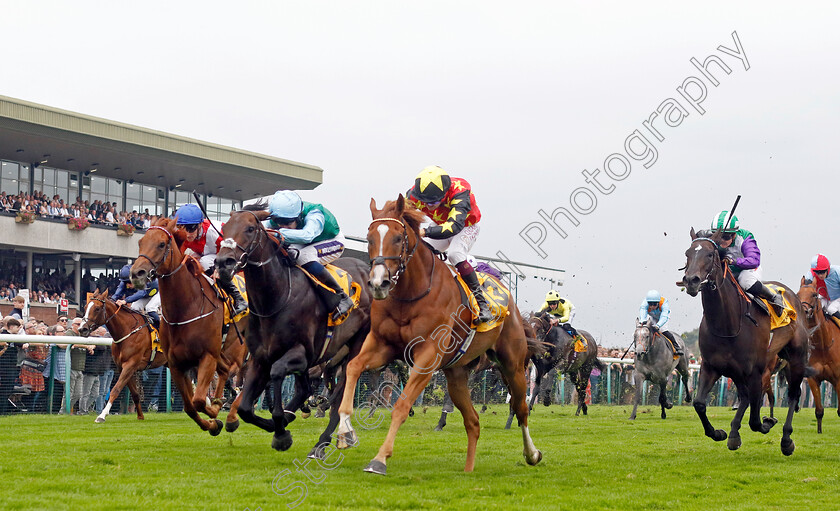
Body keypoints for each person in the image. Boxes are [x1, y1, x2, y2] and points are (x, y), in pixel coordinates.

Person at [405, 165, 491, 323]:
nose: (430, 205)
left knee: (454, 254)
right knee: (417, 251)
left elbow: (454, 227)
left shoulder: (460, 191)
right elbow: (402, 215)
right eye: (426, 202)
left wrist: (425, 232)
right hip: (440, 225)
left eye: (435, 201)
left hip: (465, 226)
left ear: (445, 193)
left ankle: (483, 304)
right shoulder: (413, 195)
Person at [265, 190, 355, 320]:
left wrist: (276, 233)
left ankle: (342, 296)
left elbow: (307, 236)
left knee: (302, 257)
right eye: (279, 222)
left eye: (288, 222)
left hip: (331, 241)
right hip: (303, 241)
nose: (283, 226)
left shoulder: (314, 214)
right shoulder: (278, 215)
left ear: (299, 216)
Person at [174, 203, 247, 317]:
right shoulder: (183, 237)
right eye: (182, 229)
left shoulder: (214, 231)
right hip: (206, 253)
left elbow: (233, 251)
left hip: (227, 252)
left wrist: (219, 267)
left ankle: (239, 299)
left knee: (204, 262)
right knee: (189, 261)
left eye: (191, 228)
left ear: (199, 225)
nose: (187, 234)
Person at [709, 210, 785, 314]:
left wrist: (733, 261)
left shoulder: (745, 238)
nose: (721, 241)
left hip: (748, 269)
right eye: (718, 236)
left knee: (745, 282)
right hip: (727, 272)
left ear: (734, 234)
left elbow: (754, 260)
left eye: (726, 237)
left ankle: (773, 297)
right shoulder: (712, 240)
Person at [537, 290, 585, 363]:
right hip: (556, 314)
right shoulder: (545, 305)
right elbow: (538, 314)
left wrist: (557, 321)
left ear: (558, 302)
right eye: (550, 304)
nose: (552, 306)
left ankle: (580, 338)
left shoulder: (564, 305)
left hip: (569, 312)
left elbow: (566, 318)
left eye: (554, 303)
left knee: (566, 326)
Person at [112, 264, 160, 328]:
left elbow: (141, 293)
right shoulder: (124, 282)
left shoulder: (143, 279)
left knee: (150, 308)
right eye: (126, 283)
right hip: (146, 296)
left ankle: (160, 329)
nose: (128, 285)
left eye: (130, 282)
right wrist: (112, 300)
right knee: (134, 307)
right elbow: (117, 294)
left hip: (158, 293)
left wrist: (125, 301)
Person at [637, 290, 682, 356]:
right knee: (645, 329)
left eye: (654, 304)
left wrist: (658, 325)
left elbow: (664, 317)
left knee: (662, 330)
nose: (652, 306)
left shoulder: (664, 303)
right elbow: (643, 312)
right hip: (652, 316)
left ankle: (676, 346)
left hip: (663, 316)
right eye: (650, 304)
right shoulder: (645, 303)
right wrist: (643, 320)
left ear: (658, 303)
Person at [809, 254, 840, 322]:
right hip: (824, 297)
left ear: (828, 269)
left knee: (831, 309)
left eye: (822, 272)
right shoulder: (811, 274)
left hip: (838, 298)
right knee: (816, 307)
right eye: (817, 272)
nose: (820, 275)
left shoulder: (837, 271)